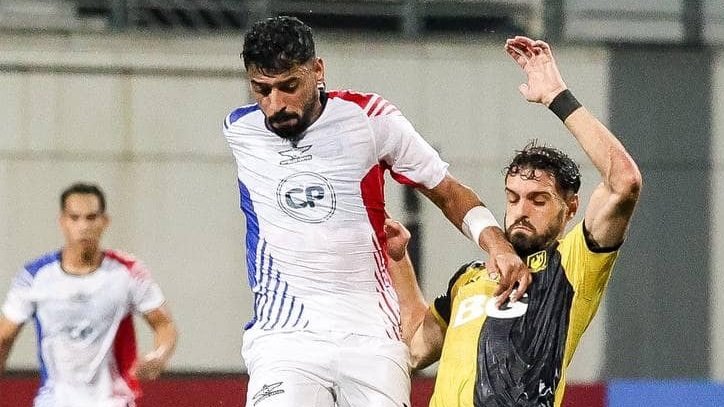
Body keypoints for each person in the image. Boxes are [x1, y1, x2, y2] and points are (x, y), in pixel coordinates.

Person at [222, 16, 530, 407]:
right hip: (284, 338)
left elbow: (449, 192)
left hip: (371, 336)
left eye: (289, 86)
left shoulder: (370, 119)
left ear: (318, 70)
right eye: (262, 89)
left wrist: (498, 245)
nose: (275, 104)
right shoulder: (240, 130)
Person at [388, 36, 643, 407]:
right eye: (513, 198)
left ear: (570, 207)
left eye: (538, 200)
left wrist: (557, 96)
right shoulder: (470, 278)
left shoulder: (571, 265)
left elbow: (624, 182)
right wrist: (398, 258)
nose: (522, 210)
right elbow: (413, 349)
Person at [0, 182, 177, 407]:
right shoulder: (34, 277)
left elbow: (164, 323)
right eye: (75, 218)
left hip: (112, 401)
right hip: (55, 401)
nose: (83, 226)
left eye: (91, 218)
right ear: (62, 222)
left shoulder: (127, 272)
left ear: (105, 221)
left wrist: (160, 355)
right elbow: (4, 337)